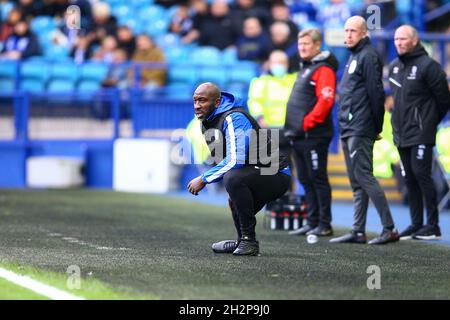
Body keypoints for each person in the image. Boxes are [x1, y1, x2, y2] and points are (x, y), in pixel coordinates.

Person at [187, 82, 290, 256]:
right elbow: (225, 158)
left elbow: (236, 159)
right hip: (255, 171)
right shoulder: (208, 121)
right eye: (195, 101)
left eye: (202, 101)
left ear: (218, 102)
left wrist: (204, 179)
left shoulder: (234, 118)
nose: (197, 106)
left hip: (275, 173)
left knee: (233, 178)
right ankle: (242, 240)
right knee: (234, 193)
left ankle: (249, 241)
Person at [329, 16, 399, 245]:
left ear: (364, 33)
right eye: (346, 31)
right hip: (350, 126)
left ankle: (389, 228)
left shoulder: (368, 56)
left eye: (353, 31)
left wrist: (375, 126)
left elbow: (376, 93)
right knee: (356, 181)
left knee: (364, 177)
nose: (348, 35)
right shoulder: (354, 56)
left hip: (360, 126)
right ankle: (358, 230)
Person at [388, 25, 450, 240]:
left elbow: (444, 100)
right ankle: (415, 224)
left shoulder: (429, 66)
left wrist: (428, 122)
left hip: (422, 131)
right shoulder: (394, 67)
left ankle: (433, 225)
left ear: (414, 40)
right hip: (401, 132)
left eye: (403, 39)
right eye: (396, 39)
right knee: (410, 179)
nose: (399, 42)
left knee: (422, 174)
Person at [283, 29, 338, 237]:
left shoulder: (323, 69)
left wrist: (306, 123)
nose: (302, 48)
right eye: (300, 44)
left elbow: (325, 101)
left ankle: (324, 224)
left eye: (306, 44)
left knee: (318, 178)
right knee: (305, 179)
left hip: (313, 135)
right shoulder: (307, 67)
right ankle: (312, 221)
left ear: (317, 45)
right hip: (299, 135)